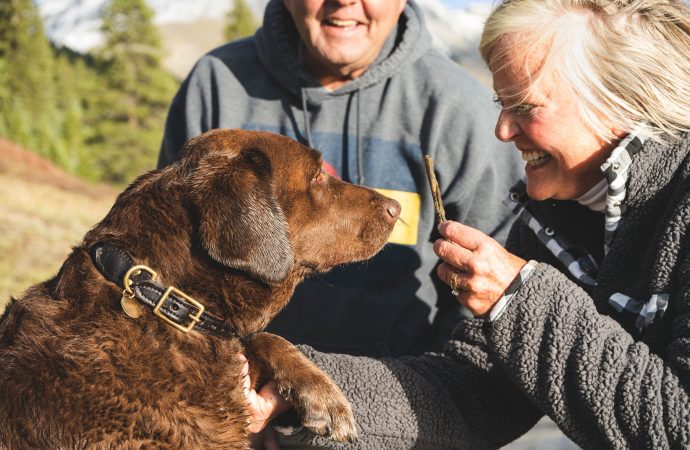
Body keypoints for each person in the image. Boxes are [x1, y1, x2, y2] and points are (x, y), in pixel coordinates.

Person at [245, 0, 690, 448]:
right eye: (501, 103)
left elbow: (677, 424)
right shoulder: (551, 221)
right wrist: (295, 386)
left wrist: (518, 299)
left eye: (524, 105)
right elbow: (470, 395)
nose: (501, 130)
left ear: (621, 97)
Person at [159, 0, 521, 358]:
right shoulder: (217, 87)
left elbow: (490, 300)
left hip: (403, 398)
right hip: (236, 396)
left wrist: (431, 400)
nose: (344, 1)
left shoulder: (459, 109)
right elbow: (169, 262)